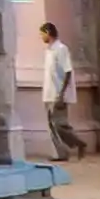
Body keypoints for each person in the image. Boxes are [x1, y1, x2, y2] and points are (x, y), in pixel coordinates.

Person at [38, 21, 82, 157]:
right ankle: (60, 153)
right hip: (49, 92)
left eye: (42, 35)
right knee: (51, 125)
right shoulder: (49, 51)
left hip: (58, 92)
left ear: (47, 33)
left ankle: (77, 143)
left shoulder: (61, 49)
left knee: (59, 124)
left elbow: (68, 71)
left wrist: (62, 93)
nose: (41, 38)